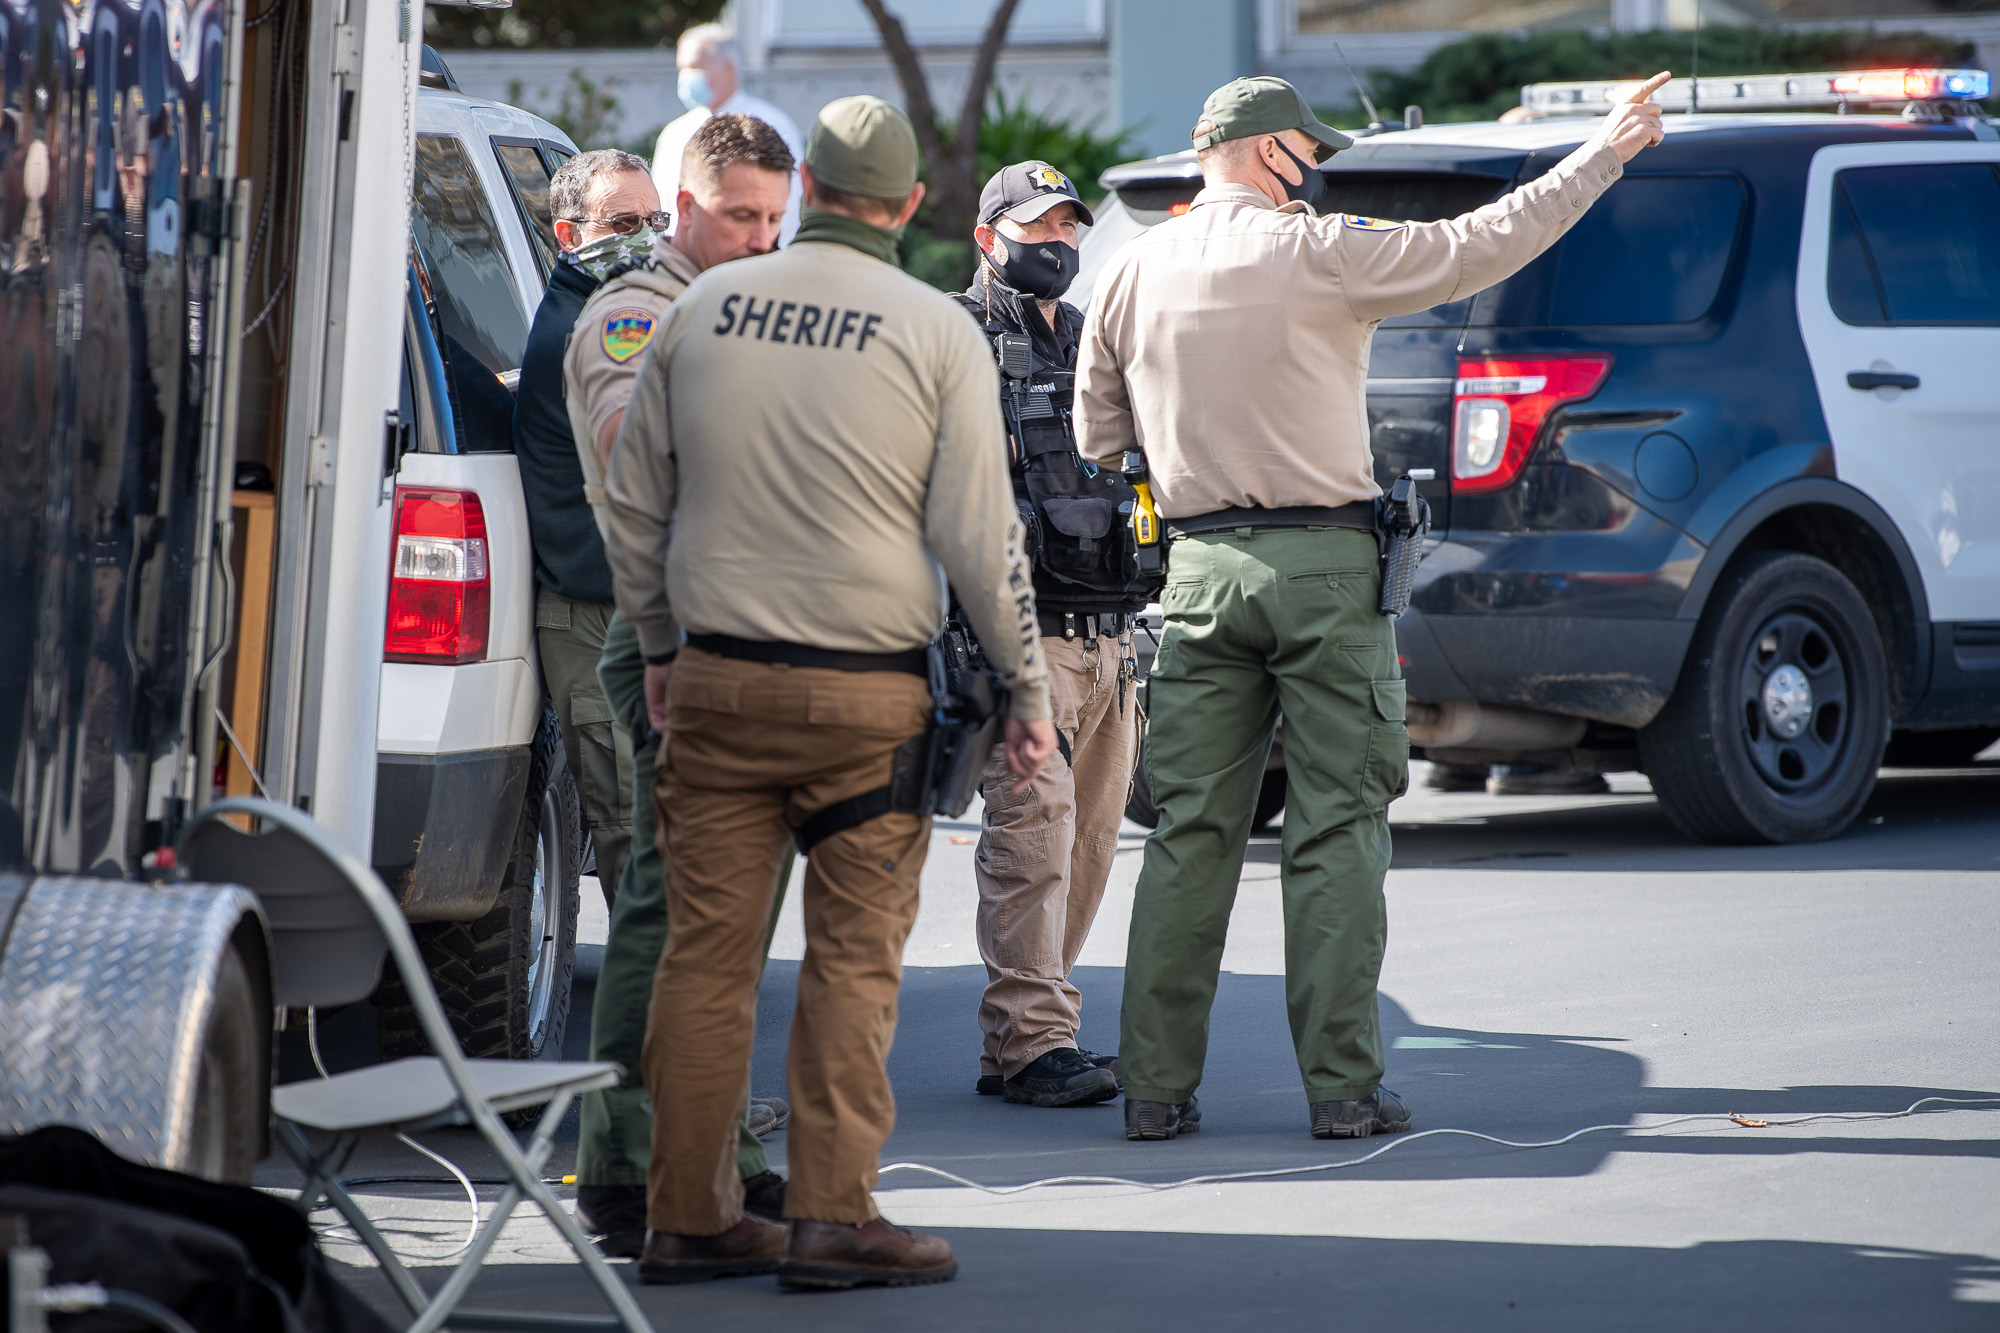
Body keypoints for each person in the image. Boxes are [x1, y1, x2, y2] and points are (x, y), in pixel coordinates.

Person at [1077, 73, 1669, 1142]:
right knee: (1336, 827)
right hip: (1323, 569)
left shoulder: (1127, 271)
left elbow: (1095, 436)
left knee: (1190, 834)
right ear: (1268, 154)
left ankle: (1154, 1090)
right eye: (1311, 150)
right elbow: (1487, 239)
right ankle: (1340, 1089)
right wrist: (1606, 151)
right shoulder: (1320, 249)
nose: (1319, 169)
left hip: (1200, 572)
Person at [603, 95, 1055, 1289]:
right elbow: (980, 532)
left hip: (712, 682)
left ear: (803, 182)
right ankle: (830, 1218)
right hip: (865, 704)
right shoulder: (931, 329)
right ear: (910, 204)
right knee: (853, 960)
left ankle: (685, 1217)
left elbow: (636, 504)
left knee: (703, 958)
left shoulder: (698, 309)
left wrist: (657, 647)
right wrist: (1024, 689)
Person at [563, 114, 796, 1260]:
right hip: (677, 643)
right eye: (738, 215)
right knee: (668, 924)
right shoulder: (635, 315)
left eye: (773, 216)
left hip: (752, 642)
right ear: (684, 206)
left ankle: (715, 1164)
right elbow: (635, 476)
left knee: (729, 931)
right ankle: (628, 1175)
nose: (760, 236)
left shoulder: (739, 312)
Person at [949, 161, 1154, 1108]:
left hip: (1110, 635)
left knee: (1091, 842)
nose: (1061, 245)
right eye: (1039, 231)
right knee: (1031, 838)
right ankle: (1032, 1041)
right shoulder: (956, 339)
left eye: (1071, 229)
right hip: (1025, 638)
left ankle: (1035, 1032)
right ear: (990, 238)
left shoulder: (1082, 336)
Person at [513, 148, 664, 914]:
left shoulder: (611, 310)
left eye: (656, 221)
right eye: (626, 222)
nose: (647, 238)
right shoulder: (598, 332)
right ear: (569, 236)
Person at [651, 23, 803, 245]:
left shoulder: (773, 125)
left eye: (696, 67)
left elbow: (788, 206)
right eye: (682, 68)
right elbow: (661, 207)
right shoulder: (674, 134)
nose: (686, 77)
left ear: (729, 67)